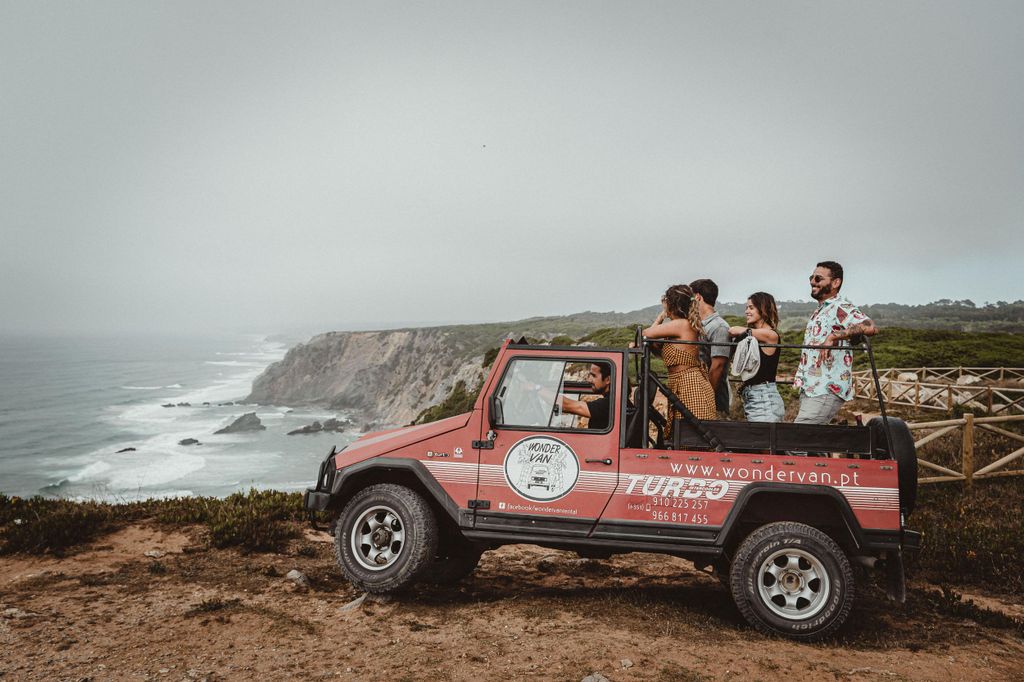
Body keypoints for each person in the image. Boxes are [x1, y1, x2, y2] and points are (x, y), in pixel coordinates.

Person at [793, 261, 878, 424]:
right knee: (807, 442)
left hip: (827, 387)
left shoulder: (841, 306)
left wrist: (833, 336)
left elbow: (870, 326)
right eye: (811, 277)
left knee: (797, 441)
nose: (812, 282)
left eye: (818, 278)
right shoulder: (821, 309)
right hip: (811, 387)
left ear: (835, 282)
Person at [643, 285, 717, 434]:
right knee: (683, 433)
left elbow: (645, 333)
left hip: (690, 385)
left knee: (691, 435)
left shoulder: (681, 324)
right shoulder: (680, 326)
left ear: (671, 305)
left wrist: (661, 316)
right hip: (680, 384)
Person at [729, 292, 785, 422]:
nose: (747, 311)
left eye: (751, 308)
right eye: (746, 308)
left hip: (764, 399)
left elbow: (733, 330)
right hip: (756, 397)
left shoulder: (771, 335)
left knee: (763, 440)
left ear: (763, 309)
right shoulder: (755, 337)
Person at [690, 279, 731, 418]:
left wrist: (705, 400)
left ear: (698, 297)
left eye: (690, 297)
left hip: (714, 403)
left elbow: (718, 366)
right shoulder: (698, 325)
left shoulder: (719, 327)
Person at [560, 363, 612, 430]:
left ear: (607, 379)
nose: (589, 380)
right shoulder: (616, 401)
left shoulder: (609, 404)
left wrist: (541, 389)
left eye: (593, 376)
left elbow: (566, 406)